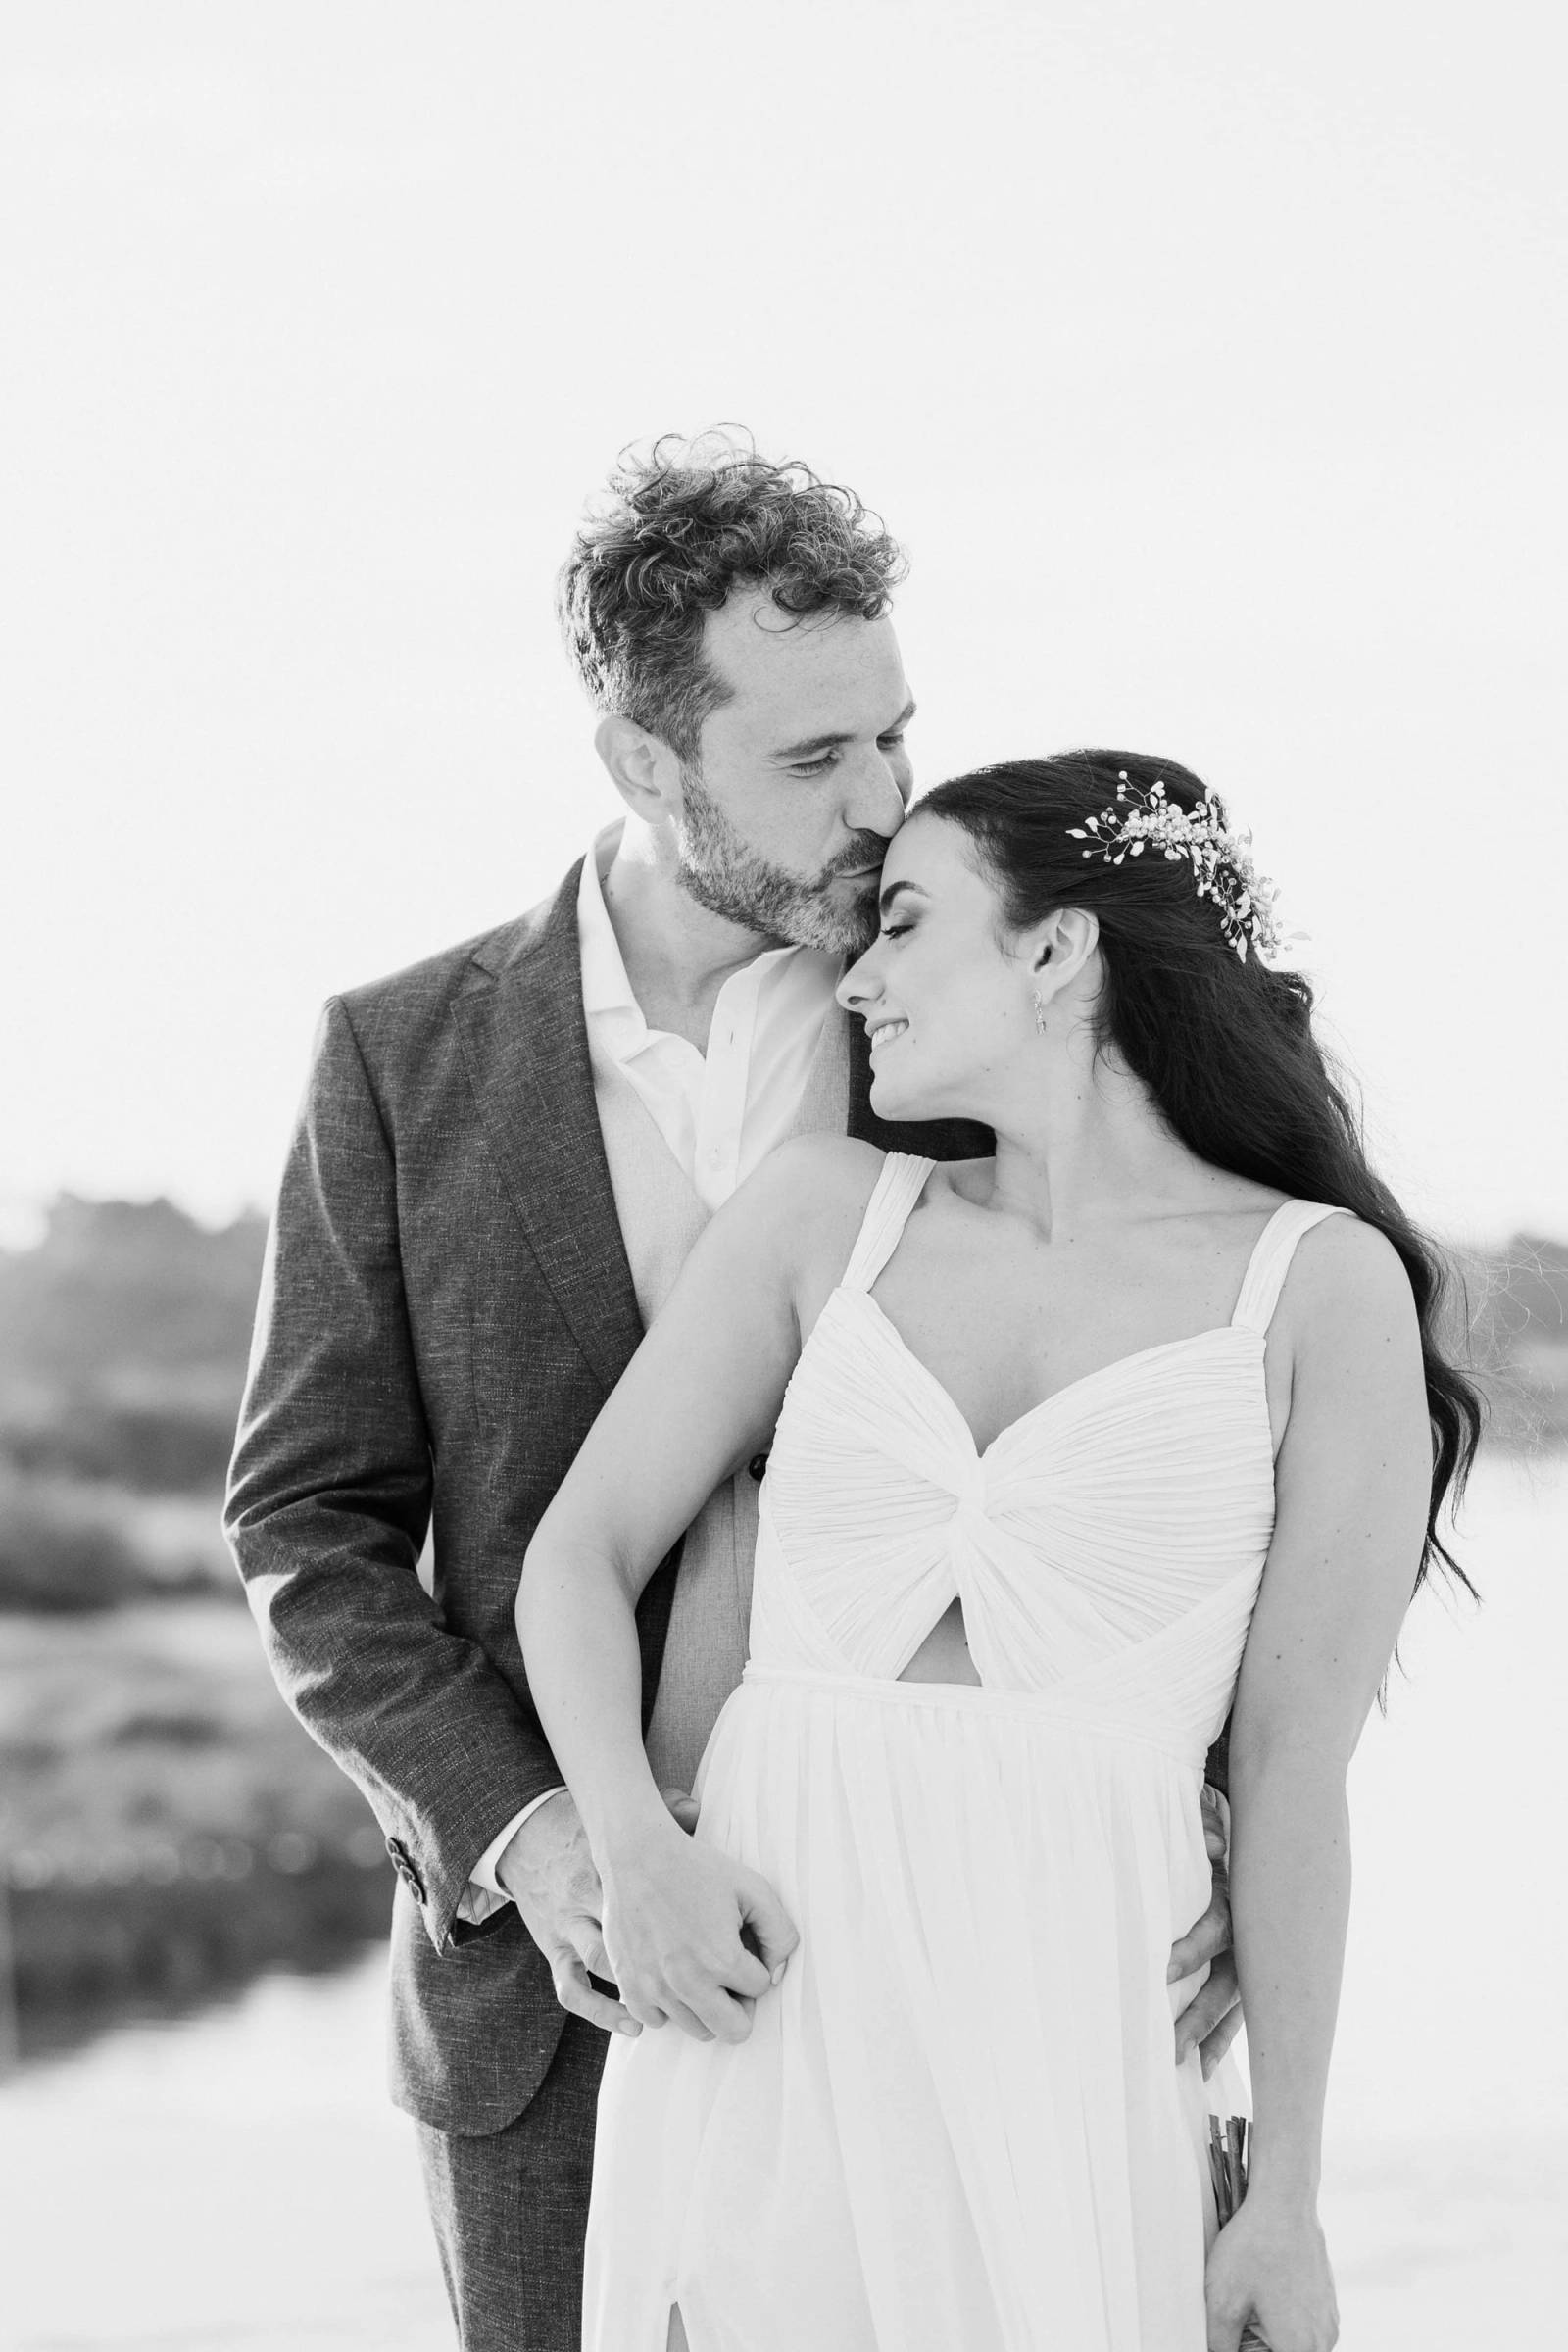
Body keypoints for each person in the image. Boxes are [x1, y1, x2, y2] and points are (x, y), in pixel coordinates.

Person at [222, 440, 1245, 2351]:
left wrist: (1230, 1828)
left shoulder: (973, 1017)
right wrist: (548, 1844)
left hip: (977, 1957)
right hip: (549, 2002)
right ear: (641, 759)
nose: (882, 803)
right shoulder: (394, 1058)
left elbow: (1207, 1403)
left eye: (894, 735)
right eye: (812, 758)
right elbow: (305, 1530)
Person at [517, 753, 1482, 2352]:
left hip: (1074, 2028)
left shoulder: (1319, 1289)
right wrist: (632, 1849)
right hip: (771, 2007)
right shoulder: (823, 1215)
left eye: (902, 925)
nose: (857, 981)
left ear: (1055, 950)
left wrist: (1289, 2197)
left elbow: (1293, 1780)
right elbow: (579, 1556)